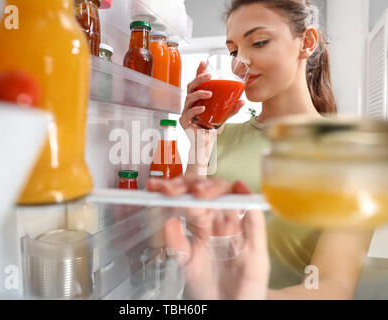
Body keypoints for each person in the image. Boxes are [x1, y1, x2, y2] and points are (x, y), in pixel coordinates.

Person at [148, 0, 374, 300]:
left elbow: (333, 289)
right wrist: (198, 153)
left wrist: (241, 293)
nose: (241, 61)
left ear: (306, 43)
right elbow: (197, 230)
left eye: (258, 42)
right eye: (233, 50)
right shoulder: (219, 136)